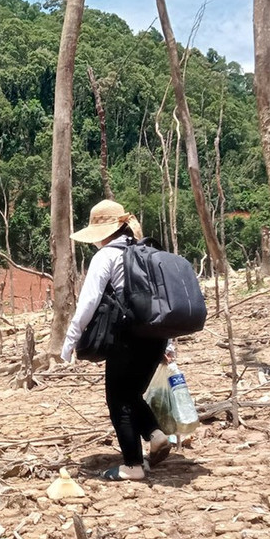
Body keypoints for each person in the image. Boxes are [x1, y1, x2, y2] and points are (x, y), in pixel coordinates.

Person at [60, 199, 174, 481]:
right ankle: (156, 435)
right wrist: (169, 343)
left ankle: (133, 465)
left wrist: (69, 342)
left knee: (118, 400)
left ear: (103, 233)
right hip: (157, 337)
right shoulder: (148, 252)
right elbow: (161, 300)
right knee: (132, 394)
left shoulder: (106, 256)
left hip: (127, 339)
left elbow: (88, 303)